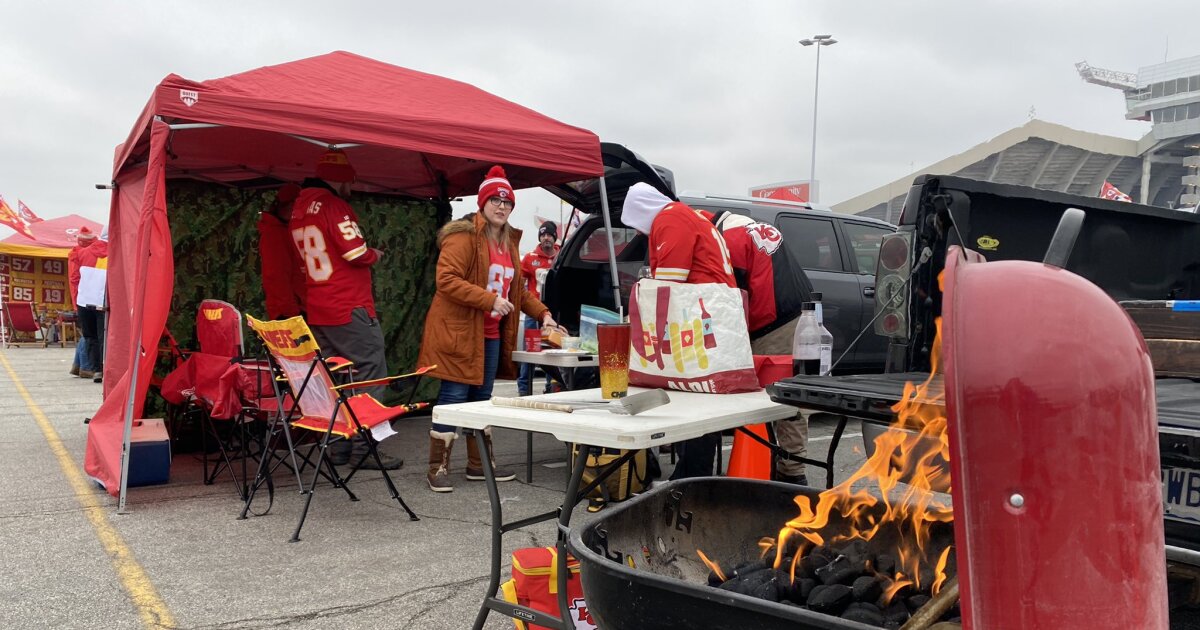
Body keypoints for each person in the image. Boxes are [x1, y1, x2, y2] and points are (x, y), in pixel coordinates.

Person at [417, 165, 565, 493]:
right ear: (483, 203)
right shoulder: (463, 235)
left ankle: (478, 465)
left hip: (491, 334)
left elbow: (516, 291)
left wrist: (544, 315)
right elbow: (446, 281)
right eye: (495, 201)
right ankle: (437, 468)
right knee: (454, 398)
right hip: (459, 331)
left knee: (482, 398)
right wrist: (489, 301)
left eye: (507, 202)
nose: (502, 207)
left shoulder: (509, 242)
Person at [290, 149, 401, 471]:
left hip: (319, 306)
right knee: (371, 374)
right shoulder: (334, 205)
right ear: (340, 178)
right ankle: (366, 448)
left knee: (337, 380)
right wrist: (375, 255)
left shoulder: (298, 208)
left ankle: (338, 449)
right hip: (348, 305)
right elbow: (355, 252)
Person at [621, 182, 736, 480]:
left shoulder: (670, 218)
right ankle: (690, 473)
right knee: (700, 398)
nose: (637, 232)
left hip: (699, 317)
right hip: (716, 313)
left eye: (635, 222)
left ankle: (691, 477)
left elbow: (669, 284)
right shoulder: (689, 215)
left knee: (696, 403)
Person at [701, 209, 812, 486]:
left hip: (775, 320)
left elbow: (729, 298)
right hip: (801, 312)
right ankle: (786, 464)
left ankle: (791, 472)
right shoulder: (746, 226)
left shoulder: (728, 239)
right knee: (792, 391)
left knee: (781, 396)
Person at [516, 220, 560, 396]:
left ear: (555, 237)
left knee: (552, 351)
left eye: (549, 234)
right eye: (543, 235)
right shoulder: (530, 257)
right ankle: (524, 389)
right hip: (533, 314)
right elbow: (519, 282)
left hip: (554, 313)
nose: (546, 238)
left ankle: (552, 387)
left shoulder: (561, 255)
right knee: (531, 352)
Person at [257, 183, 307, 319]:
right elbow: (277, 277)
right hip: (289, 313)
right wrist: (291, 313)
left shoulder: (286, 230)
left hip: (295, 309)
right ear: (291, 205)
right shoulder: (275, 234)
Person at [74, 228, 109, 383]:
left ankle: (96, 370)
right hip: (105, 302)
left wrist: (76, 301)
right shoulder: (118, 252)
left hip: (84, 300)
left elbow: (74, 278)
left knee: (90, 336)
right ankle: (105, 367)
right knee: (105, 336)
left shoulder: (80, 253)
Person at [67, 227, 95, 378]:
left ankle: (77, 365)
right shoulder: (83, 255)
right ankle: (86, 366)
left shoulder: (74, 253)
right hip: (85, 297)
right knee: (89, 334)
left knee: (85, 332)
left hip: (78, 296)